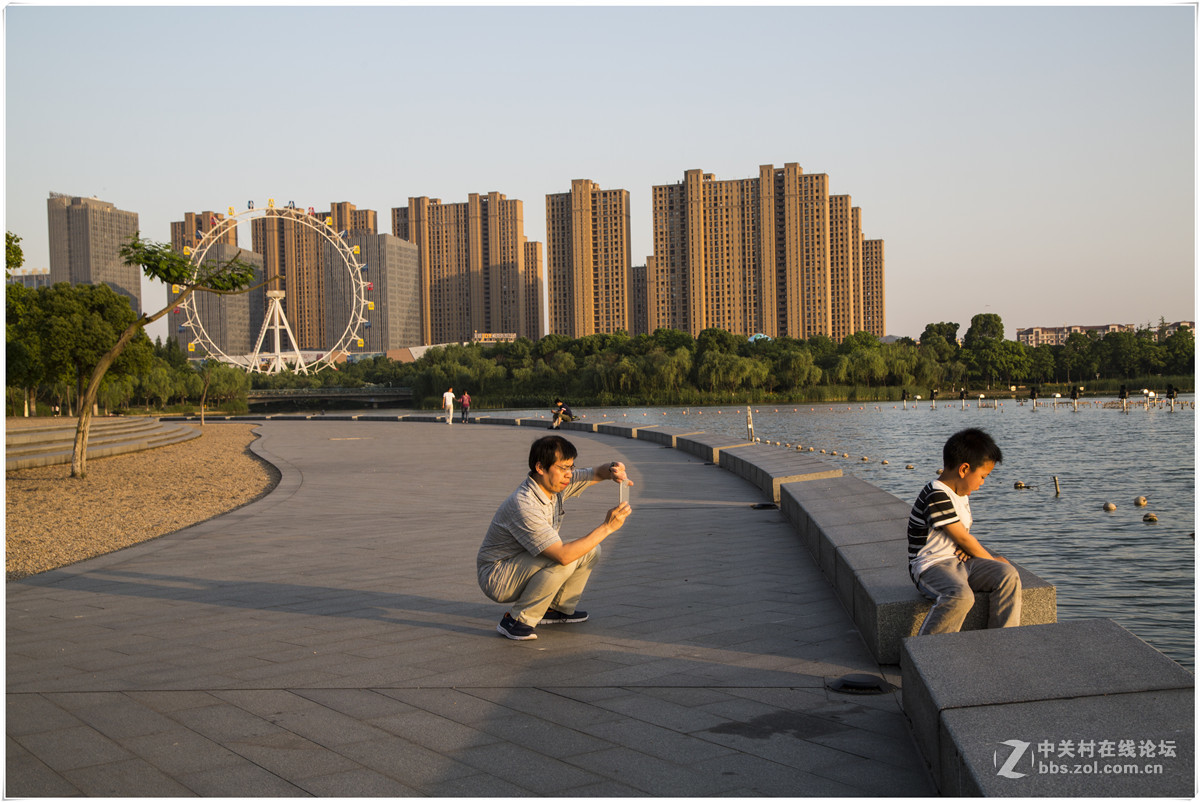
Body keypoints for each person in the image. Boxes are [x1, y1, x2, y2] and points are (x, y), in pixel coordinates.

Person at [477, 435, 632, 640]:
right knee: (566, 559)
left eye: (571, 467)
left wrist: (613, 469)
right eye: (562, 468)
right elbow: (563, 555)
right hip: (497, 575)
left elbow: (596, 473)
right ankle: (516, 621)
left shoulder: (555, 484)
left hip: (520, 563)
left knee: (591, 550)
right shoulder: (524, 505)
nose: (569, 474)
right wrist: (607, 527)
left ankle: (557, 610)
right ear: (540, 467)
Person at [906, 427, 1021, 635]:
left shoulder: (960, 494)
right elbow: (961, 536)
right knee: (960, 596)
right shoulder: (936, 494)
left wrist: (978, 556)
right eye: (983, 476)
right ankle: (927, 652)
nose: (982, 483)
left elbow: (960, 539)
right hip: (930, 567)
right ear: (964, 469)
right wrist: (991, 560)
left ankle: (1003, 641)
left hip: (959, 561)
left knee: (1008, 575)